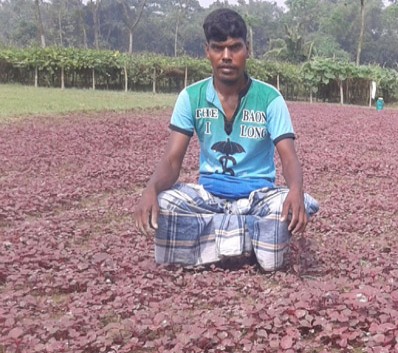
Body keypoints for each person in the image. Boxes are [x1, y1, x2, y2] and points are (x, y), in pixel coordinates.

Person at [133, 8, 317, 271]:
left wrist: (296, 191)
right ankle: (247, 241)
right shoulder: (190, 97)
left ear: (248, 49)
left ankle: (212, 244)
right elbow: (172, 161)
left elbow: (289, 158)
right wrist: (151, 189)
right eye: (218, 48)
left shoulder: (270, 99)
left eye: (235, 47)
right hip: (208, 197)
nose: (227, 57)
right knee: (165, 204)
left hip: (258, 198)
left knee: (283, 211)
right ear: (207, 51)